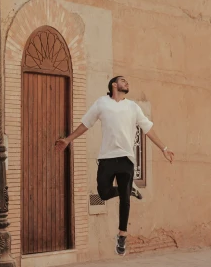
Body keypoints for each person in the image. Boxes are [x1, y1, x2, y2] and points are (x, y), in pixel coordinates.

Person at [55, 76, 174, 256]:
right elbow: (86, 124)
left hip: (126, 158)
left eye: (127, 81)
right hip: (107, 158)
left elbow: (147, 128)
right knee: (103, 192)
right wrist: (68, 140)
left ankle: (122, 235)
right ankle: (129, 190)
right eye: (123, 81)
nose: (127, 83)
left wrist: (164, 148)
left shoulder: (133, 107)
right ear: (114, 85)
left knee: (124, 201)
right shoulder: (102, 103)